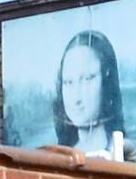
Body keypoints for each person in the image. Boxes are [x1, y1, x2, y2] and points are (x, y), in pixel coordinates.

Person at [39, 27, 127, 158]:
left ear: (106, 80)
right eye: (68, 82)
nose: (76, 97)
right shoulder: (57, 159)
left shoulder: (125, 152)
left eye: (87, 79)